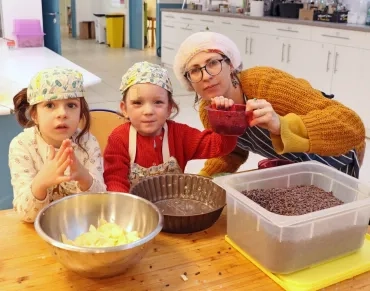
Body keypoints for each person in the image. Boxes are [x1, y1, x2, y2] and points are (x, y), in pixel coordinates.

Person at [173, 31, 366, 178]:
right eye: (195, 71)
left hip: (337, 158)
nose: (206, 76)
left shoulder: (264, 84)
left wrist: (282, 125)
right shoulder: (209, 113)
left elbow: (351, 125)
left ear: (230, 64)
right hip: (297, 168)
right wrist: (204, 181)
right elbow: (231, 154)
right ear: (190, 82)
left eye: (213, 63)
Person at [103, 61, 237, 192]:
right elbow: (115, 181)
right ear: (124, 108)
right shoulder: (119, 139)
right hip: (135, 211)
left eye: (158, 102)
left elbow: (220, 146)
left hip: (174, 211)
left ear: (169, 108)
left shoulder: (180, 135)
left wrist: (224, 118)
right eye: (138, 103)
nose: (148, 111)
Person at [9, 67, 106, 223]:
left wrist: (84, 177)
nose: (62, 113)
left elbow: (101, 204)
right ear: (35, 115)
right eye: (50, 105)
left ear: (81, 112)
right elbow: (25, 214)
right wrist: (41, 182)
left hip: (81, 226)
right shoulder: (22, 145)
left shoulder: (88, 142)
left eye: (71, 105)